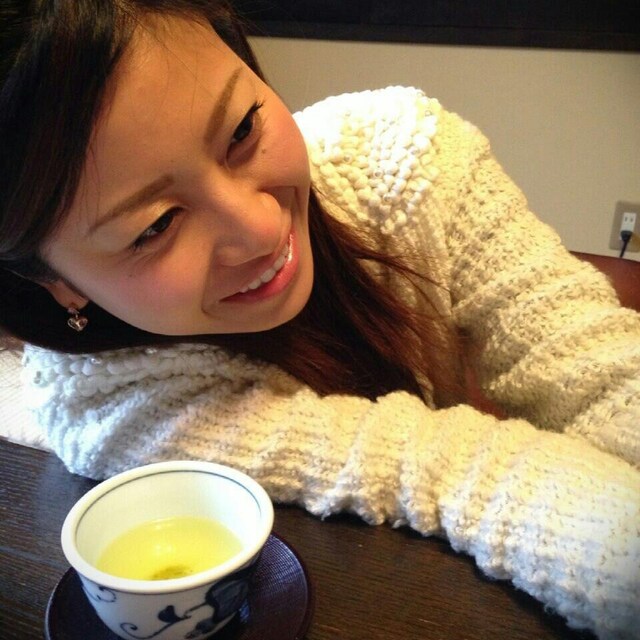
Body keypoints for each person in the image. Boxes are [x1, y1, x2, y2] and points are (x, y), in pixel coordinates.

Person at [1, 1, 638, 638]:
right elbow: (440, 468)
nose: (259, 228)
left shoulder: (412, 157)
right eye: (157, 225)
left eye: (242, 130)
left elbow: (603, 374)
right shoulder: (108, 403)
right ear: (54, 282)